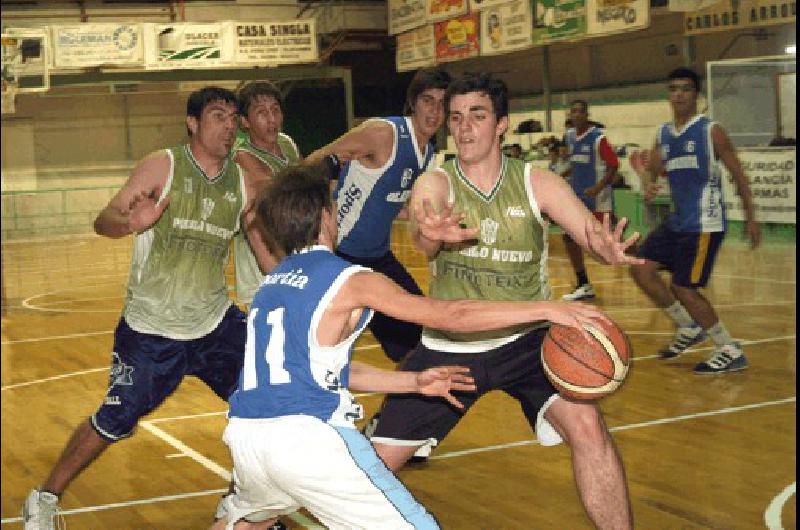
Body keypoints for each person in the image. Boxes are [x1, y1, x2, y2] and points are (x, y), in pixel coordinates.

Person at [212, 160, 615, 530]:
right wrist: (546, 309)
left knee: (244, 523)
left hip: (248, 441)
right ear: (325, 217)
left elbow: (324, 372)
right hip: (310, 441)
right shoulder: (349, 278)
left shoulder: (272, 286)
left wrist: (415, 382)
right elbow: (449, 315)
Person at [368, 73, 641, 530]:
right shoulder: (437, 181)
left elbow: (588, 232)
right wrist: (428, 232)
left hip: (529, 345)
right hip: (452, 349)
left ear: (502, 125)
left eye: (477, 115)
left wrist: (603, 248)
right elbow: (425, 222)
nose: (464, 127)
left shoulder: (538, 183)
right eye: (455, 118)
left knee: (589, 428)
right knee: (375, 467)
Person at [22, 87, 274, 530]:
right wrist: (129, 223)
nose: (229, 125)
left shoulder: (242, 181)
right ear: (193, 123)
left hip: (214, 322)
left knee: (266, 402)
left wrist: (291, 282)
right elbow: (104, 220)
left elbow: (260, 244)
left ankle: (242, 500)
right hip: (151, 328)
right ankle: (44, 497)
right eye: (218, 116)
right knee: (115, 419)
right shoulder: (166, 165)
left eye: (234, 118)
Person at [305, 66, 451, 364]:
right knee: (326, 351)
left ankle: (393, 411)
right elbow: (313, 161)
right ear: (412, 102)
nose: (435, 111)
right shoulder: (383, 133)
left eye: (443, 104)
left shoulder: (428, 153)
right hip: (340, 258)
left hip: (378, 259)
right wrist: (331, 182)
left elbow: (387, 200)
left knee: (418, 342)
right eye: (427, 101)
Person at [629, 67, 761, 374]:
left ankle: (729, 347)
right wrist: (647, 181)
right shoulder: (664, 133)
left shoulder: (710, 131)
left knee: (684, 287)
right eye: (673, 88)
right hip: (678, 221)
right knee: (642, 270)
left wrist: (751, 218)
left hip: (704, 223)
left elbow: (738, 174)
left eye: (686, 89)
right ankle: (688, 327)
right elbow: (655, 168)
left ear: (696, 95)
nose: (679, 94)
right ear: (668, 94)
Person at [232, 81, 301, 306]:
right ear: (244, 122)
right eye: (261, 113)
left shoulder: (287, 143)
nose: (271, 120)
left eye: (275, 110)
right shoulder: (242, 156)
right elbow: (276, 191)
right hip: (259, 266)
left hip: (292, 252)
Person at [561, 99, 621, 301]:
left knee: (612, 241)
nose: (576, 115)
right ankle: (583, 283)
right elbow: (576, 164)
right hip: (578, 197)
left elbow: (613, 165)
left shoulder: (598, 138)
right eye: (573, 111)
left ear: (587, 115)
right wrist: (563, 176)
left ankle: (648, 260)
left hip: (598, 199)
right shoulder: (569, 137)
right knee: (569, 237)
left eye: (580, 111)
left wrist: (598, 187)